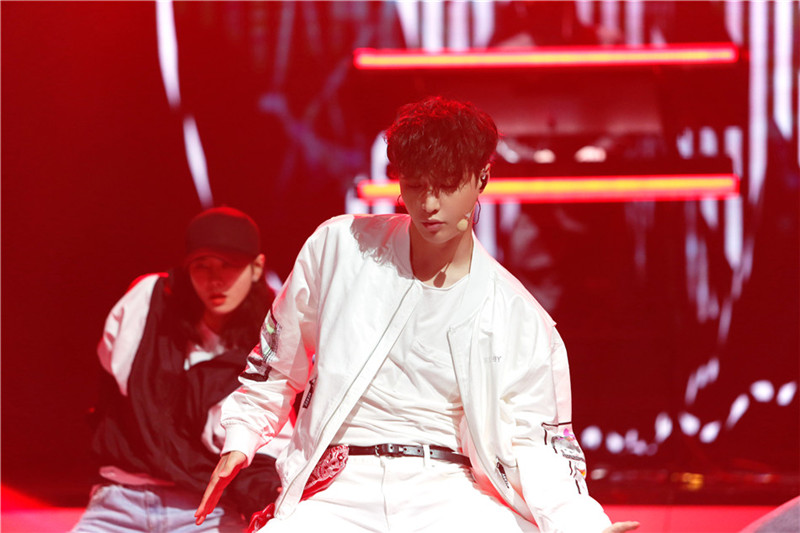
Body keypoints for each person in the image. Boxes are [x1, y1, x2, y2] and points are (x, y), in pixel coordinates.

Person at [195, 97, 639, 533]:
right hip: (339, 485)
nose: (428, 203)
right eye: (414, 185)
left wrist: (581, 524)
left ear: (482, 178)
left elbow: (539, 443)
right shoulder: (339, 247)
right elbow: (275, 365)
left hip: (451, 489)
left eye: (446, 185)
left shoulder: (519, 316)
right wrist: (242, 438)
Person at [73, 207, 289, 533]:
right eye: (202, 266)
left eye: (228, 265)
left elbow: (263, 447)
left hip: (205, 510)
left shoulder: (270, 341)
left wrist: (271, 496)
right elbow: (111, 371)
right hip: (120, 501)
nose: (215, 280)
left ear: (257, 267)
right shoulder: (150, 302)